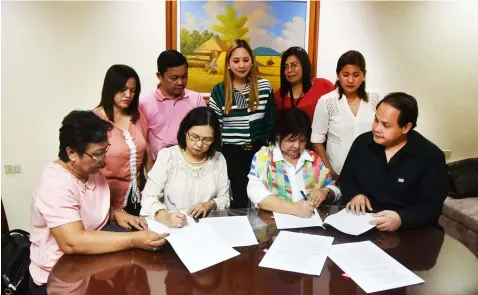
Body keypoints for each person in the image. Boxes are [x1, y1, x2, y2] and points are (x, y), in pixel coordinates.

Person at [29, 111, 168, 295]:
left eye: (105, 151)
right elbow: (72, 241)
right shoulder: (55, 184)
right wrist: (133, 240)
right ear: (71, 153)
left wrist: (117, 213)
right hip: (60, 276)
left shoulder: (90, 170)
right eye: (97, 154)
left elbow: (89, 205)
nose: (103, 161)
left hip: (90, 263)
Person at [341, 92, 448, 231]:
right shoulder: (362, 143)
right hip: (363, 224)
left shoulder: (430, 156)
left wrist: (401, 218)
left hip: (411, 232)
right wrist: (355, 195)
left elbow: (431, 206)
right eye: (376, 120)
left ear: (406, 127)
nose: (377, 128)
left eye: (386, 125)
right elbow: (346, 178)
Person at [209, 39, 275, 209]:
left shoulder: (264, 87)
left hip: (259, 154)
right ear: (229, 64)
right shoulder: (218, 91)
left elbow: (271, 124)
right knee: (237, 202)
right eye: (236, 61)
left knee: (262, 201)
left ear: (252, 61)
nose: (241, 65)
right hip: (232, 156)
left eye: (246, 60)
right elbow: (216, 131)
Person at [140, 107, 230, 228]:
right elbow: (148, 197)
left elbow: (224, 198)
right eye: (194, 136)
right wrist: (166, 217)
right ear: (185, 131)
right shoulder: (168, 156)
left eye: (207, 140)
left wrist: (210, 204)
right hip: (173, 228)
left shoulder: (218, 159)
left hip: (207, 228)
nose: (199, 144)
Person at [247, 108, 340, 217]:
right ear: (278, 136)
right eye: (291, 140)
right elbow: (256, 194)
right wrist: (296, 209)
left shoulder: (313, 159)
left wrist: (325, 192)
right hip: (273, 226)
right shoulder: (264, 157)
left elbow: (336, 189)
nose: (296, 146)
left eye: (302, 141)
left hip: (310, 224)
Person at [94, 64, 153, 229]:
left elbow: (146, 151)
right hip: (106, 201)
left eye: (133, 91)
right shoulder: (95, 120)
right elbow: (89, 168)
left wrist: (156, 189)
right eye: (123, 89)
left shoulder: (138, 116)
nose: (128, 95)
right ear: (110, 89)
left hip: (137, 199)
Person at [311, 50, 381, 182]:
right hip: (339, 173)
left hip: (372, 171)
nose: (350, 80)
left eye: (356, 75)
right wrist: (330, 171)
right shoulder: (327, 101)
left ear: (364, 74)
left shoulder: (375, 98)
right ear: (338, 74)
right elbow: (317, 140)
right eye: (345, 74)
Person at [139, 50, 206, 160]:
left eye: (184, 77)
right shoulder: (144, 103)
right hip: (158, 164)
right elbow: (141, 141)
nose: (180, 82)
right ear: (160, 76)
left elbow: (204, 132)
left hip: (191, 162)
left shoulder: (196, 99)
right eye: (174, 78)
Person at [275, 46, 335, 121]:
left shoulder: (324, 86)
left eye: (294, 65)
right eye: (286, 67)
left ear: (304, 65)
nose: (289, 70)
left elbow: (338, 116)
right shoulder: (278, 97)